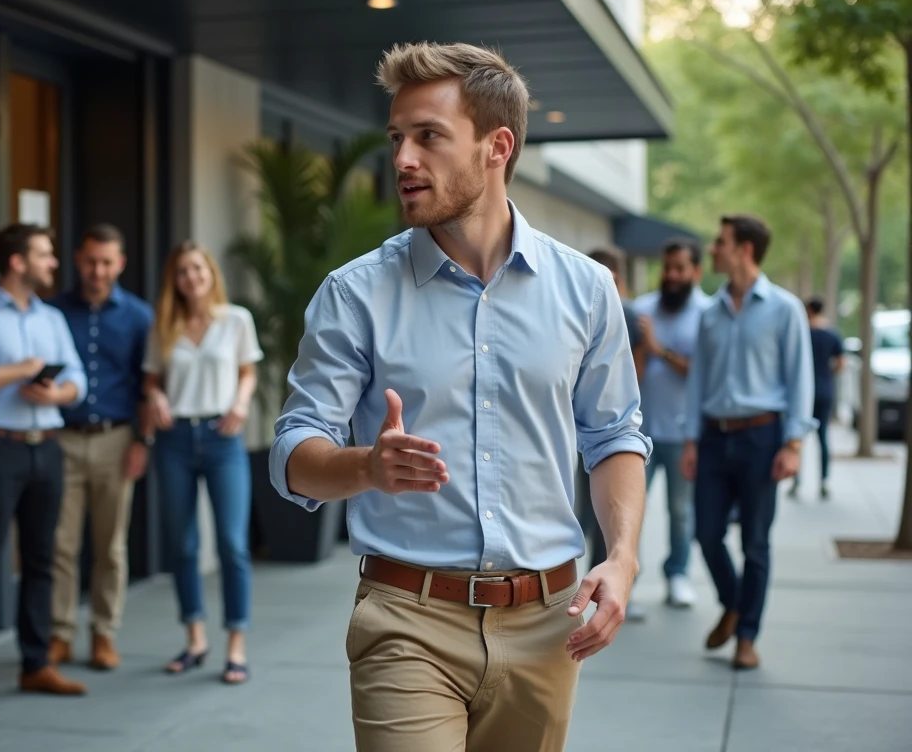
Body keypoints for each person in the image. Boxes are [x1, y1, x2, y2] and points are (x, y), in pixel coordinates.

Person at [270, 41, 651, 752]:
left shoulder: (587, 290)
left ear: (495, 146)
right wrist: (365, 468)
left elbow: (614, 435)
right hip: (406, 619)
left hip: (548, 626)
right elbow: (293, 452)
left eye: (429, 137)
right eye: (396, 138)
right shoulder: (355, 294)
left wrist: (623, 558)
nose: (403, 159)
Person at [0, 224, 89, 714]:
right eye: (45, 255)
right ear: (16, 261)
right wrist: (24, 370)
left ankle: (35, 664)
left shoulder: (51, 317)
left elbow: (78, 380)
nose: (53, 263)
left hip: (47, 448)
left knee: (41, 560)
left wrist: (56, 392)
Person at [681, 214, 815, 671]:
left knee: (756, 543)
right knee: (705, 533)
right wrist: (692, 440)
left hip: (763, 437)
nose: (712, 249)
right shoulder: (710, 313)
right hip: (714, 440)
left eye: (720, 242)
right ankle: (735, 604)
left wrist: (794, 443)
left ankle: (746, 636)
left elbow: (800, 378)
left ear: (744, 250)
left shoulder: (784, 308)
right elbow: (698, 379)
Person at [143, 240, 263, 685]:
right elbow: (152, 379)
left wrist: (241, 404)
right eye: (181, 272)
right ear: (173, 281)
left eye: (196, 269)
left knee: (232, 544)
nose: (190, 278)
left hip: (222, 438)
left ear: (210, 272)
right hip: (174, 440)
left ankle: (236, 644)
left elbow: (248, 372)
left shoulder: (235, 320)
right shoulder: (165, 325)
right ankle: (195, 638)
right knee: (184, 545)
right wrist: (154, 395)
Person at [47, 223, 155, 671]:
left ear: (121, 264)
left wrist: (141, 442)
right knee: (61, 544)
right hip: (62, 441)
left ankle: (104, 635)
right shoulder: (52, 313)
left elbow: (148, 386)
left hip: (116, 439)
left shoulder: (138, 316)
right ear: (78, 260)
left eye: (107, 262)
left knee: (110, 546)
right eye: (91, 261)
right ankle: (60, 633)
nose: (98, 271)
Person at [632, 238, 713, 609]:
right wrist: (644, 348)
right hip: (638, 433)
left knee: (681, 512)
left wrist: (659, 348)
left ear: (696, 271)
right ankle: (626, 582)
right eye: (668, 267)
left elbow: (705, 376)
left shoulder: (709, 313)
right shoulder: (641, 310)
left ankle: (677, 575)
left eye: (680, 268)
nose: (672, 275)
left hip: (684, 435)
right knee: (629, 513)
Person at [578, 246, 646, 611]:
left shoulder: (631, 316)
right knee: (588, 509)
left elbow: (633, 376)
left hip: (621, 427)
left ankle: (620, 576)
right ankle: (597, 572)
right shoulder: (578, 302)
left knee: (621, 511)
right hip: (579, 431)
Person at [789, 295, 843, 500]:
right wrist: (828, 374)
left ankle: (796, 480)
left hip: (804, 393)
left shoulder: (802, 332)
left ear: (809, 309)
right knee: (823, 438)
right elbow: (841, 363)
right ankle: (824, 481)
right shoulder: (831, 334)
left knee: (798, 437)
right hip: (825, 390)